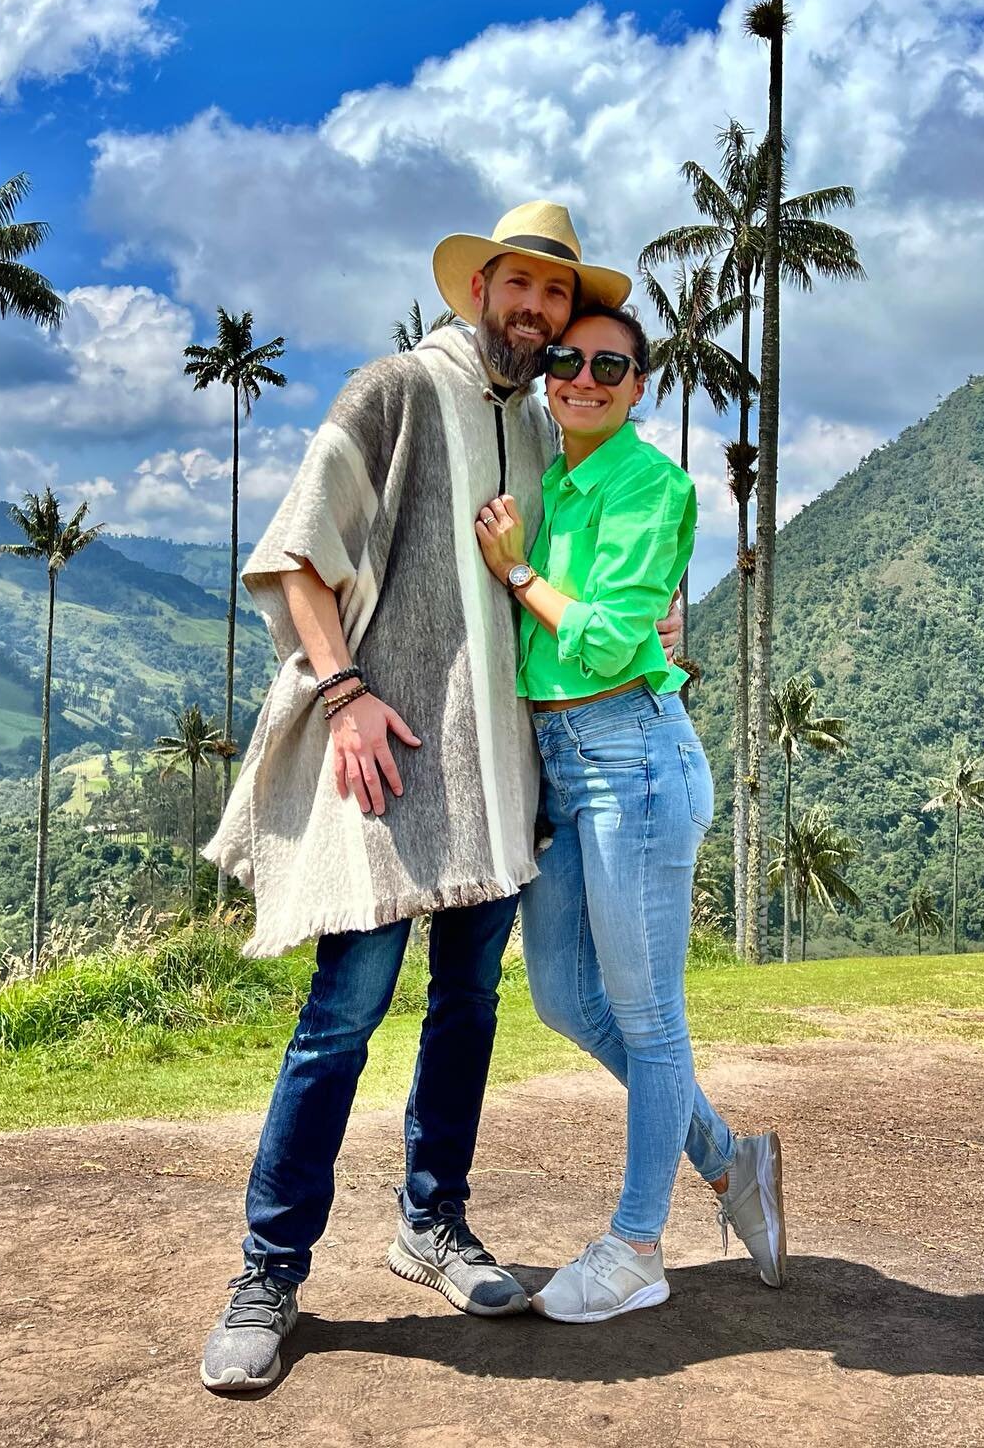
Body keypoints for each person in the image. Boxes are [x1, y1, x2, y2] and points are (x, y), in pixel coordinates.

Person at [199, 202, 656, 1392]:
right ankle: (270, 1270)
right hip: (388, 761)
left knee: (468, 1011)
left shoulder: (550, 438)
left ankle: (431, 1223)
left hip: (499, 781)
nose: (540, 313)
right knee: (341, 1016)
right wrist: (345, 691)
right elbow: (299, 554)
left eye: (558, 297)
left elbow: (573, 580)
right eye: (522, 287)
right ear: (478, 291)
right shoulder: (397, 391)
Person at [474, 300, 788, 1324]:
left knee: (652, 1017)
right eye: (568, 358)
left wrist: (518, 572)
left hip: (634, 760)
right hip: (562, 767)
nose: (584, 376)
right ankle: (729, 1156)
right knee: (564, 996)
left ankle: (639, 1244)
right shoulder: (551, 478)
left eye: (611, 364)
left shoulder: (651, 481)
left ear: (640, 383)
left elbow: (608, 640)